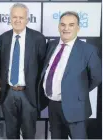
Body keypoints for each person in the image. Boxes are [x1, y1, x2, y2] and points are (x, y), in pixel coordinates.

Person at [38, 11, 102, 139]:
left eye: (71, 25)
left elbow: (97, 77)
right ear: (58, 27)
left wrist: (78, 91)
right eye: (63, 24)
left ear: (78, 28)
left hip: (75, 106)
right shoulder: (51, 45)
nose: (66, 28)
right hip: (53, 105)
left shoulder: (88, 50)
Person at [0, 3, 46, 139]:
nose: (17, 20)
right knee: (11, 133)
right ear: (10, 18)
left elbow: (43, 68)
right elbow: (0, 66)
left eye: (21, 17)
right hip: (8, 94)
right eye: (14, 17)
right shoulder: (3, 38)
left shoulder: (38, 39)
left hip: (28, 95)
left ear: (27, 19)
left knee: (29, 133)